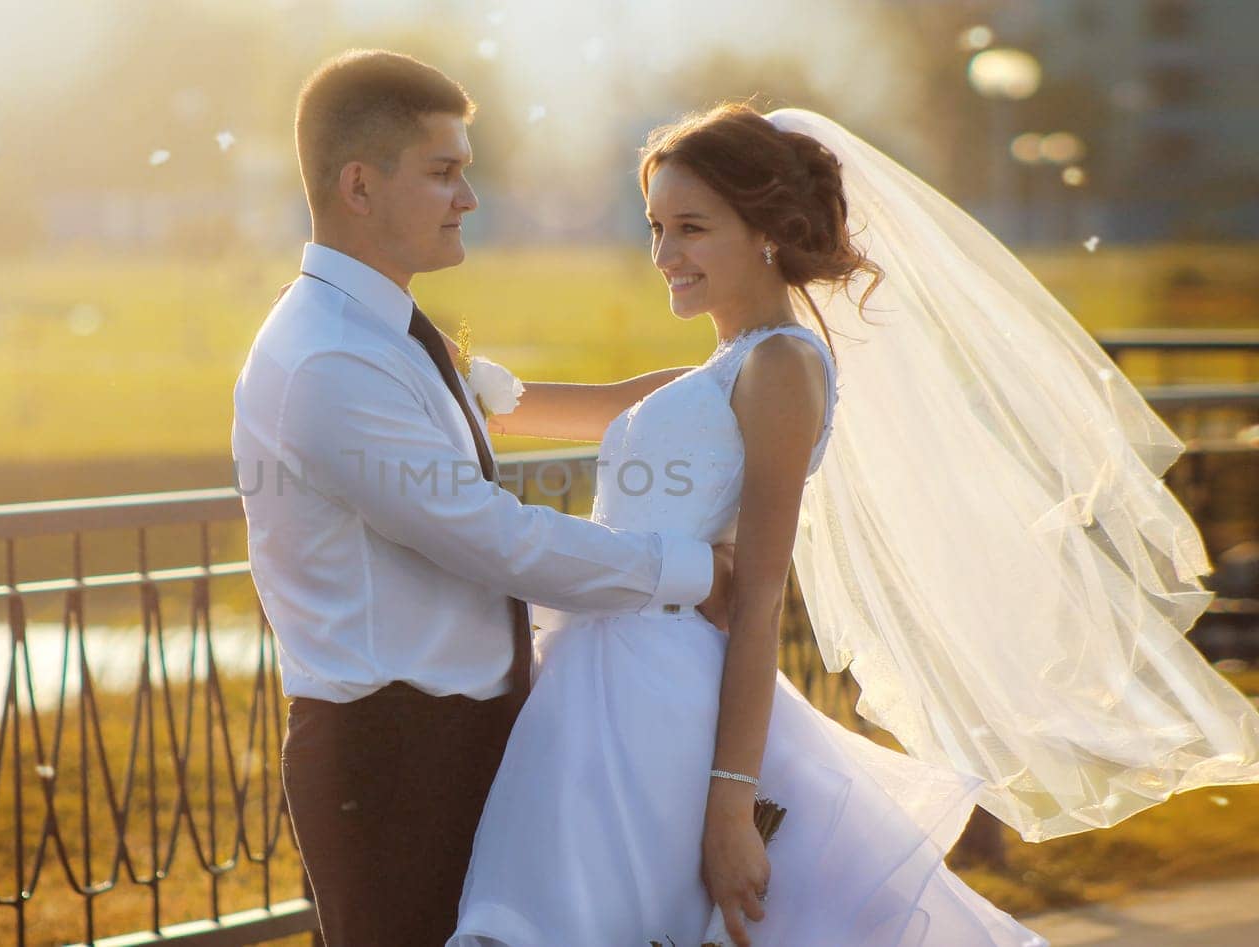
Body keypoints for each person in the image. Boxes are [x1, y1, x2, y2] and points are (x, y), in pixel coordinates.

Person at [450, 103, 1259, 947]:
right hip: (603, 679)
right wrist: (432, 363)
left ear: (766, 230)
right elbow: (531, 410)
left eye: (691, 228)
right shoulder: (709, 372)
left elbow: (760, 596)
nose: (665, 255)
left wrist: (732, 801)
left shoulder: (783, 366)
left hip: (668, 690)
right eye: (656, 227)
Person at [230, 50, 737, 947]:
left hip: (455, 738)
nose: (469, 197)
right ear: (359, 185)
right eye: (444, 172)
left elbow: (482, 439)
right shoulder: (330, 356)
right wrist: (692, 570)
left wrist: (716, 388)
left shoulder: (375, 325)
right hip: (394, 756)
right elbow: (489, 539)